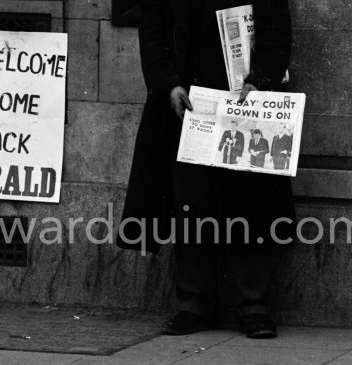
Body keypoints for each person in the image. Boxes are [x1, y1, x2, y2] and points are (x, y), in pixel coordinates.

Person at [117, 0, 295, 339]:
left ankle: (254, 305)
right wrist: (169, 84)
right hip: (188, 106)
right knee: (191, 203)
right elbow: (152, 35)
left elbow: (276, 32)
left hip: (243, 103)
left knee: (249, 203)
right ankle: (195, 304)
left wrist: (260, 82)